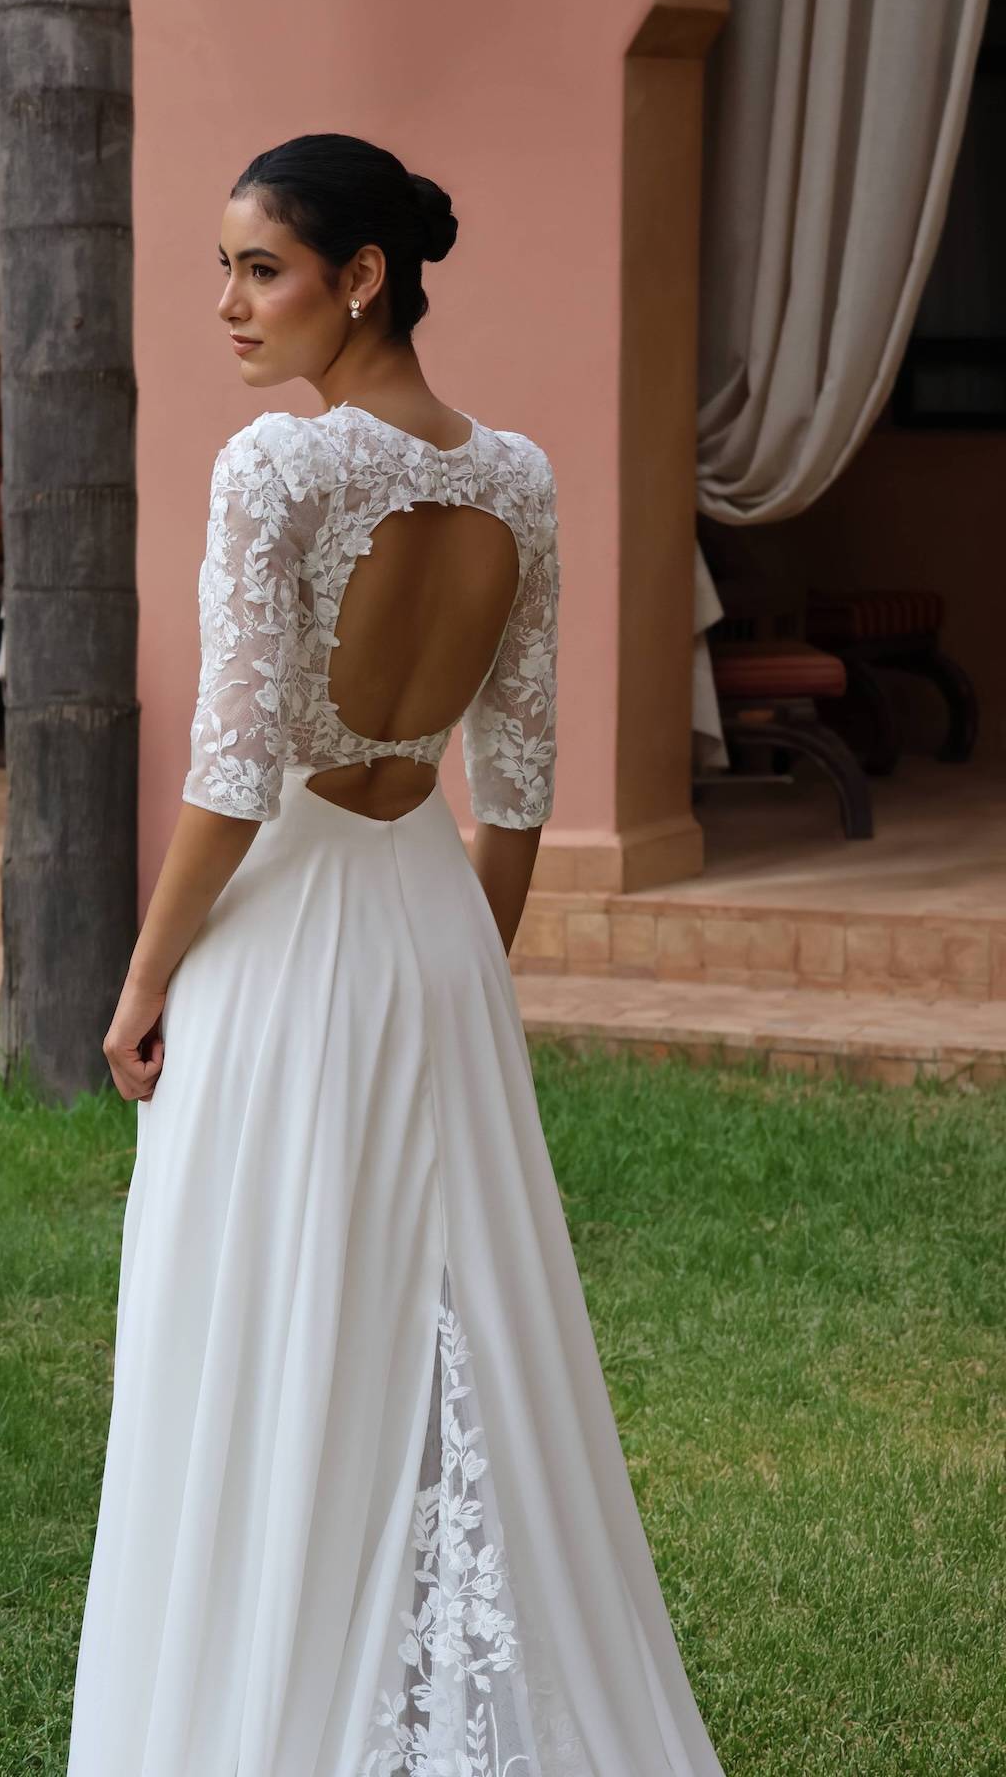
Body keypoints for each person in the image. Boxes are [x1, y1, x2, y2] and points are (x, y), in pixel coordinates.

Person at [67, 132, 725, 1777]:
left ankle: (260, 1705)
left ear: (361, 279)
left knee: (257, 1326)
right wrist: (463, 990)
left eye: (258, 267)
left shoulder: (272, 472)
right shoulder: (520, 478)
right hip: (431, 922)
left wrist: (146, 981)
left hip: (285, 937)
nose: (225, 302)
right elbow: (514, 787)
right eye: (223, 265)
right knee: (438, 1316)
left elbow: (231, 776)